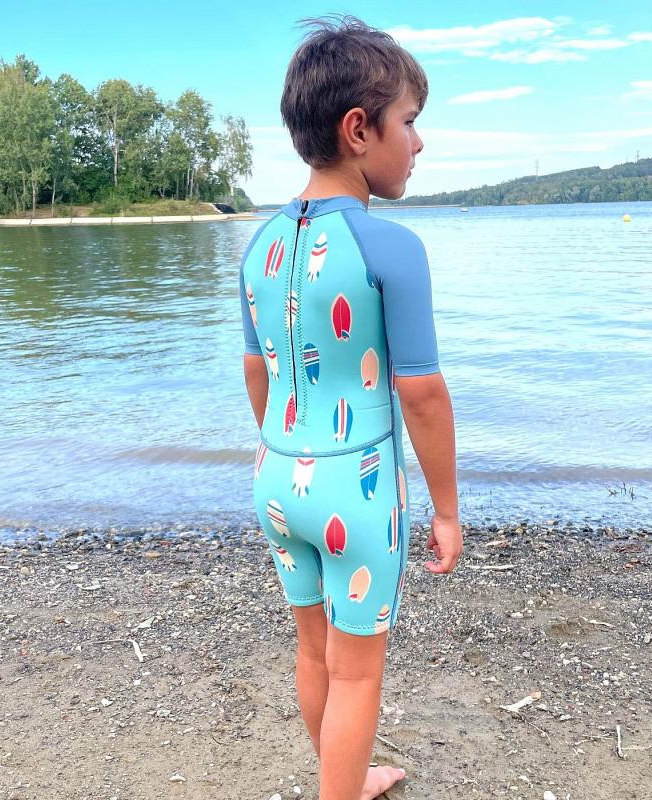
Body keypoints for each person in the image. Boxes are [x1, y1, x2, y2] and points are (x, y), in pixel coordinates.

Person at [239, 16, 462, 800]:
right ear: (359, 130)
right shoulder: (391, 248)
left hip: (278, 479)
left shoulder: (259, 247)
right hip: (357, 490)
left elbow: (258, 371)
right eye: (410, 122)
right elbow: (422, 394)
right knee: (358, 673)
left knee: (313, 652)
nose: (419, 143)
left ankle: (348, 778)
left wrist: (279, 450)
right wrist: (446, 509)